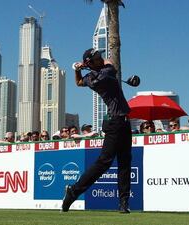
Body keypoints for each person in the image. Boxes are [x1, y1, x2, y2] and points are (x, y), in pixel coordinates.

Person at [62, 48, 132, 213]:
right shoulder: (105, 72)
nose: (101, 58)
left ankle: (123, 204)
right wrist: (85, 66)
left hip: (123, 122)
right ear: (91, 63)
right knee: (104, 162)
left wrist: (78, 70)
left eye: (99, 56)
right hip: (116, 123)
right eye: (97, 57)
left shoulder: (91, 77)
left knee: (124, 163)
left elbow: (78, 83)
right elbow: (110, 62)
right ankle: (73, 192)